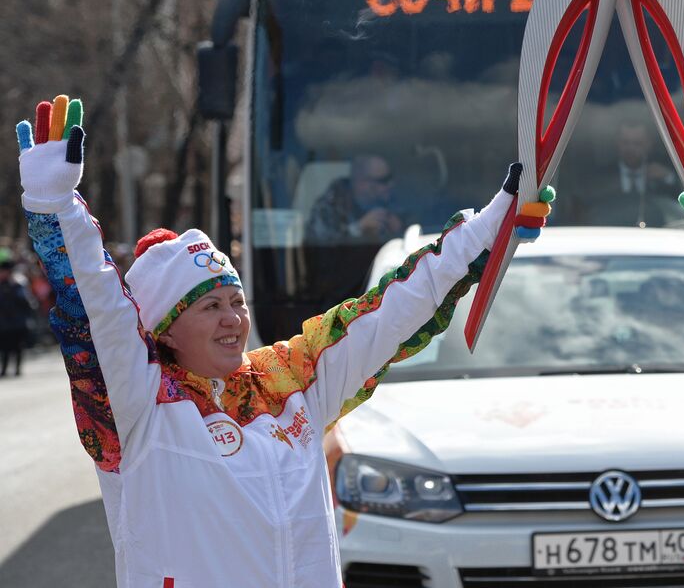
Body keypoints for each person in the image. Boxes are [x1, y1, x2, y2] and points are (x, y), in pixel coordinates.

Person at [17, 94, 548, 588]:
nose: (233, 319)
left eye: (236, 302)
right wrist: (56, 205)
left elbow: (387, 314)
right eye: (209, 306)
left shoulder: (287, 383)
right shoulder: (138, 406)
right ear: (165, 330)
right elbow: (98, 314)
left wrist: (486, 230)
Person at [306, 153, 404, 244]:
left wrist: (399, 230)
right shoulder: (328, 207)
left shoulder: (394, 204)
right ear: (362, 184)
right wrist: (357, 230)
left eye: (390, 178)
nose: (391, 184)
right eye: (384, 180)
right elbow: (319, 245)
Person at [0, 248, 38, 376]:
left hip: (18, 322)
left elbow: (28, 302)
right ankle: (4, 370)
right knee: (4, 348)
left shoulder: (18, 283)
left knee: (17, 348)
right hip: (4, 322)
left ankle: (17, 370)